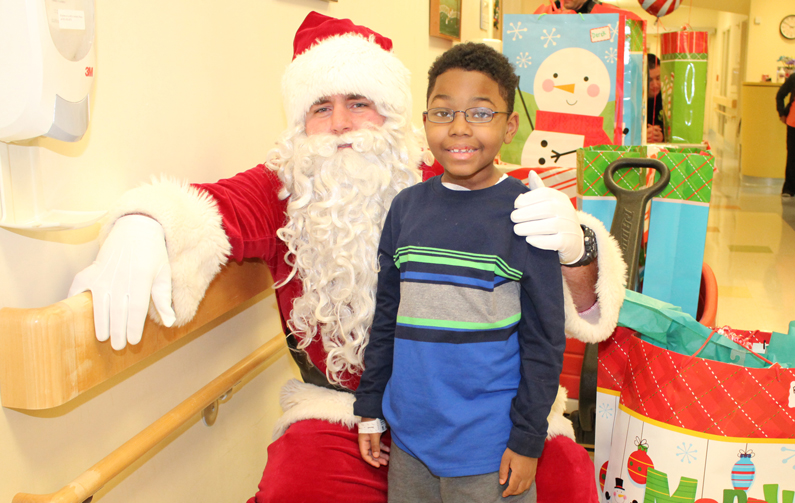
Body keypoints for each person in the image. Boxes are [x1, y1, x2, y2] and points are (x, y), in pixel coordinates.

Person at [68, 11, 626, 503]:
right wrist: (145, 222)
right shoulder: (287, 188)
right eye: (320, 107)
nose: (339, 125)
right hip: (344, 413)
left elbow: (572, 310)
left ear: (393, 115)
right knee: (297, 487)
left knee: (567, 484)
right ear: (298, 123)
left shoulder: (451, 172)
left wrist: (581, 246)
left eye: (359, 104)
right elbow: (210, 206)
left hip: (482, 407)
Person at [355, 42, 567, 503]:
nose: (459, 129)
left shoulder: (527, 215)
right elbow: (386, 317)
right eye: (443, 112)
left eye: (480, 113)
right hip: (410, 442)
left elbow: (544, 338)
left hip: (490, 449)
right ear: (425, 121)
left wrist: (527, 439)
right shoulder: (406, 208)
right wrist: (370, 408)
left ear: (510, 125)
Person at [776, 71, 795, 197]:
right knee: (792, 156)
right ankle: (789, 188)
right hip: (793, 123)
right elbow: (780, 95)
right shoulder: (794, 78)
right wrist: (782, 113)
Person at [647, 54, 664, 143]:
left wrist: (662, 137)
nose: (655, 84)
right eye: (650, 80)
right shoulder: (634, 99)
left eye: (658, 78)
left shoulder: (667, 98)